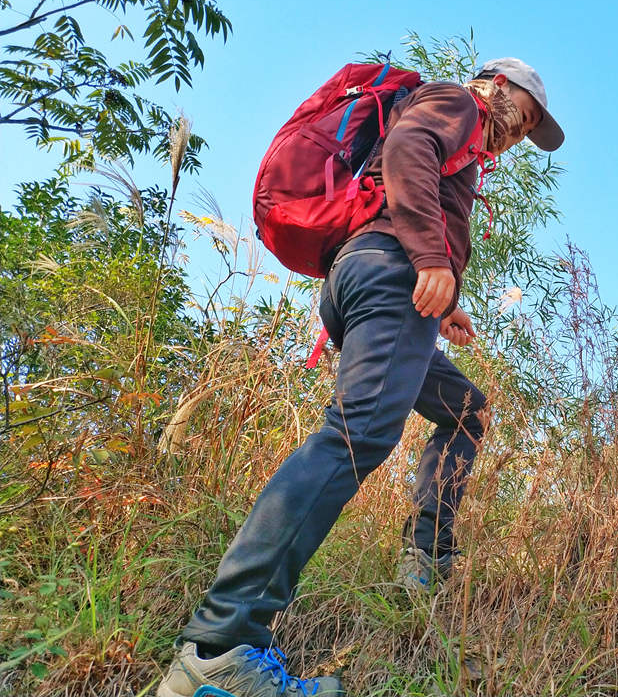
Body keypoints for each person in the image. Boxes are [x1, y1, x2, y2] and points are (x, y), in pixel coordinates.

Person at [157, 57, 565, 697]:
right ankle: (218, 647)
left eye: (534, 126)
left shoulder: (467, 143)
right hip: (389, 278)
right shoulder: (460, 103)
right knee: (355, 437)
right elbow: (409, 149)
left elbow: (395, 184)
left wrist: (446, 297)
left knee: (467, 411)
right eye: (527, 112)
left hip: (370, 275)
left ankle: (426, 555)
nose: (524, 130)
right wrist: (431, 259)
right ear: (498, 86)